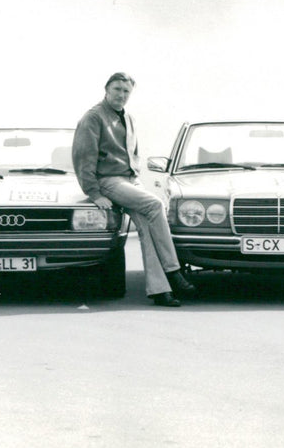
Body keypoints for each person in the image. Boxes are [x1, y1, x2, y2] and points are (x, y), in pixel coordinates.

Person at [72, 72, 196, 307]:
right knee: (155, 204)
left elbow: (133, 152)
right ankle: (173, 271)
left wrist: (136, 174)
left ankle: (160, 291)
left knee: (147, 226)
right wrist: (95, 193)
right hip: (109, 181)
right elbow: (83, 158)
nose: (121, 94)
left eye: (126, 91)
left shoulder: (128, 117)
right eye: (117, 89)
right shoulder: (93, 118)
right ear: (106, 89)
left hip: (130, 180)